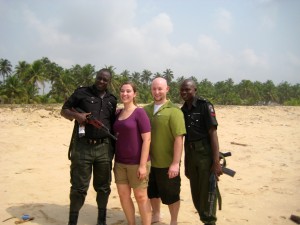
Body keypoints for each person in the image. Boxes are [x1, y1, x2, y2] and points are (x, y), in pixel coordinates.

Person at [61, 68, 117, 225]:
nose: (101, 81)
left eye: (105, 80)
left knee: (104, 188)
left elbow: (112, 124)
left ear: (109, 82)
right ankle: (72, 221)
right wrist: (77, 116)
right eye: (99, 78)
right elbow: (64, 110)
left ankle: (101, 221)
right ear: (96, 77)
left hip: (104, 148)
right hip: (82, 147)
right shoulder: (81, 93)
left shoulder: (112, 99)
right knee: (78, 188)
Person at [179, 79, 223, 225]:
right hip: (191, 155)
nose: (184, 92)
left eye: (188, 89)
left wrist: (216, 162)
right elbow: (185, 140)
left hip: (205, 154)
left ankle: (210, 221)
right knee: (196, 193)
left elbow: (213, 134)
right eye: (182, 90)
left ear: (195, 90)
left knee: (208, 192)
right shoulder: (183, 110)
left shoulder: (205, 106)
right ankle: (205, 219)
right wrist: (185, 165)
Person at [144, 77, 186, 225]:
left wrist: (175, 163)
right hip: (149, 162)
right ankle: (156, 214)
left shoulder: (174, 111)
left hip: (167, 163)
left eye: (160, 88)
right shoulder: (145, 110)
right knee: (152, 192)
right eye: (154, 88)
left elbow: (179, 139)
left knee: (172, 194)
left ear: (167, 89)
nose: (157, 92)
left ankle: (174, 220)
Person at [113, 81, 152, 225]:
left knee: (141, 197)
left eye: (128, 91)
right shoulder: (117, 113)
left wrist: (142, 166)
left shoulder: (139, 113)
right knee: (124, 196)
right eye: (122, 91)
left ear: (134, 94)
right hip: (120, 163)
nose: (125, 94)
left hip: (137, 163)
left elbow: (147, 140)